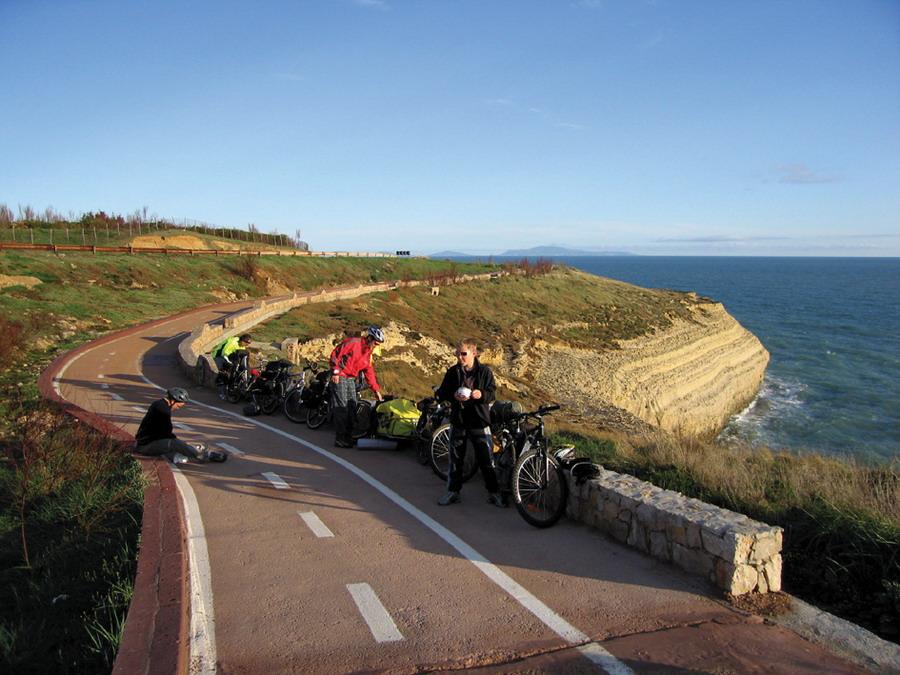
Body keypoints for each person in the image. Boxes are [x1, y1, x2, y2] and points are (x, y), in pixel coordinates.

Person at [436, 339, 504, 507]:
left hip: (479, 421)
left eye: (463, 354)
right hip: (459, 420)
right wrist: (454, 396)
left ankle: (494, 493)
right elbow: (443, 392)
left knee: (486, 460)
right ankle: (453, 491)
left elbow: (492, 393)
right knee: (456, 458)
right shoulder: (453, 372)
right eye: (457, 354)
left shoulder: (485, 372)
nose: (460, 357)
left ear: (474, 353)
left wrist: (480, 395)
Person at [135, 388, 227, 463]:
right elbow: (167, 432)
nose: (177, 409)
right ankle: (204, 455)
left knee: (176, 447)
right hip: (145, 446)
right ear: (173, 401)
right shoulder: (163, 410)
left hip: (145, 443)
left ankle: (188, 451)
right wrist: (180, 444)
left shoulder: (158, 404)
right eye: (178, 406)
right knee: (174, 443)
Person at [329, 325, 385, 448]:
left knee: (352, 406)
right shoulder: (353, 343)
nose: (376, 347)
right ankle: (340, 438)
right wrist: (336, 372)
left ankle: (348, 437)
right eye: (376, 343)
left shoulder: (368, 354)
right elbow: (335, 354)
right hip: (341, 375)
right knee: (342, 407)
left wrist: (376, 390)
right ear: (370, 338)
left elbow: (369, 372)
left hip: (350, 378)